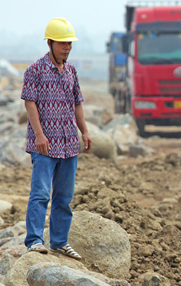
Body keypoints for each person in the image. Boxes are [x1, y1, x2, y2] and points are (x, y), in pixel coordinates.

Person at [21, 18, 92, 260]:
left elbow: (77, 105)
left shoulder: (71, 71)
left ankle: (60, 242)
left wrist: (84, 132)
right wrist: (39, 135)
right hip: (45, 144)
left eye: (70, 43)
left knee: (64, 196)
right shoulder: (35, 70)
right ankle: (34, 241)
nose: (67, 48)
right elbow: (29, 103)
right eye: (63, 43)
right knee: (40, 194)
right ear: (50, 43)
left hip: (69, 144)